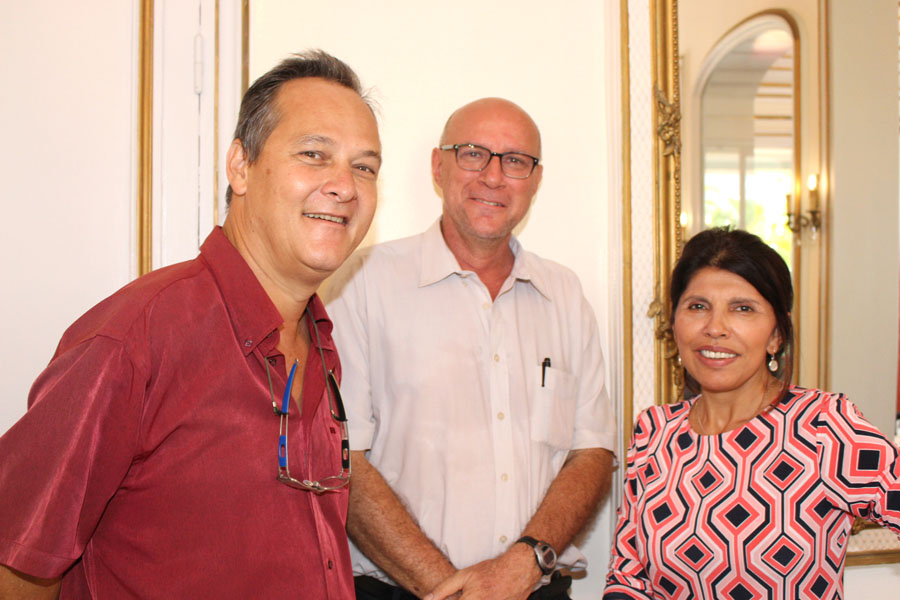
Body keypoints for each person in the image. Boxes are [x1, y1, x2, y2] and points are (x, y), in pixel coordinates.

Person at [0, 49, 381, 599]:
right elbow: (17, 563)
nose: (345, 185)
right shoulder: (134, 340)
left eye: (364, 167)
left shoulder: (320, 343)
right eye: (314, 154)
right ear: (240, 166)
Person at [324, 97, 616, 600]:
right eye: (473, 154)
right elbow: (343, 458)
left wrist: (524, 564)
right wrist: (455, 592)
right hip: (402, 592)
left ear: (536, 180)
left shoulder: (565, 294)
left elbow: (591, 450)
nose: (494, 177)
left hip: (536, 589)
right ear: (438, 167)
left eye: (515, 161)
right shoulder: (362, 283)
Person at [604, 228, 900, 599]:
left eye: (742, 309)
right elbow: (628, 578)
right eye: (697, 307)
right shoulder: (654, 431)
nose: (715, 328)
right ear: (675, 323)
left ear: (776, 334)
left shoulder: (824, 426)